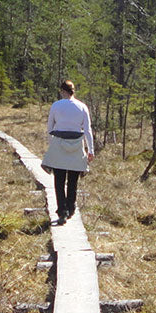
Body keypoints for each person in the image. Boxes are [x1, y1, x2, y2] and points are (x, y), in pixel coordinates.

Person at [42, 79, 94, 224]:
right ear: (73, 91)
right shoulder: (82, 106)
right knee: (73, 180)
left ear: (62, 91)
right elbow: (87, 130)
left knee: (59, 181)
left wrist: (51, 145)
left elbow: (50, 127)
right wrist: (91, 150)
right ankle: (70, 208)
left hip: (59, 144)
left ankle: (62, 211)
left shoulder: (56, 105)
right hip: (77, 145)